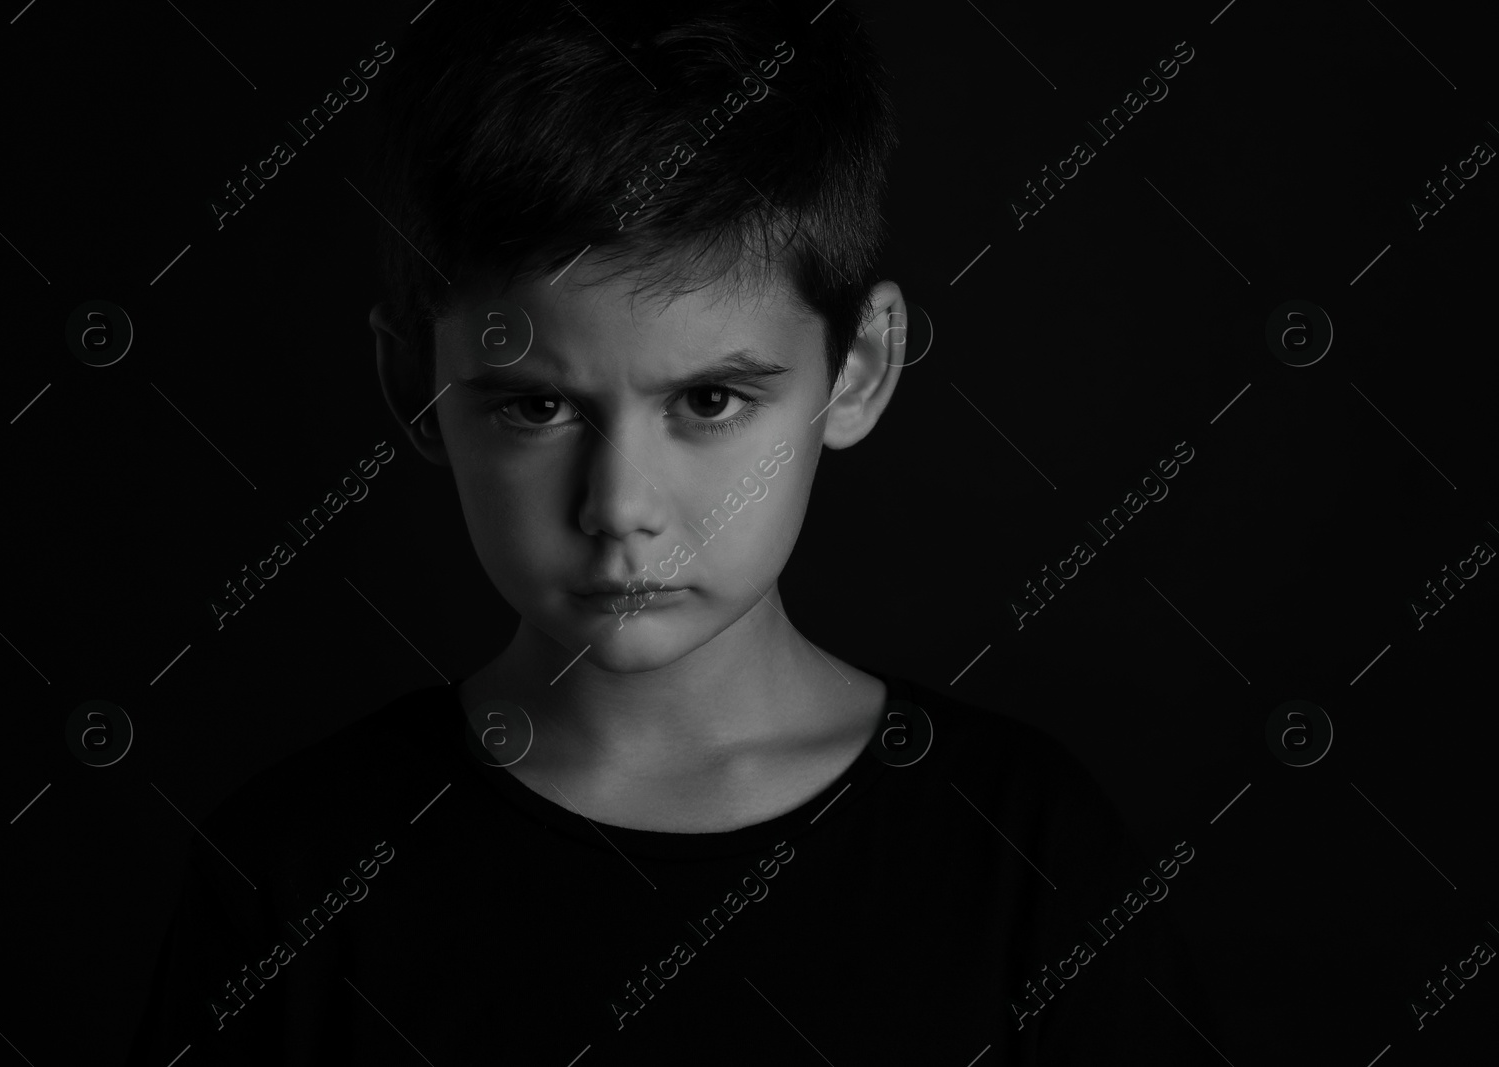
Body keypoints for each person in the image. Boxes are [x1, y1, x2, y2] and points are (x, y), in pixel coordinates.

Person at [127, 1, 1222, 1062]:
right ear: (415, 384)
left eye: (707, 403)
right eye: (536, 406)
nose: (619, 508)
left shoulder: (1024, 852)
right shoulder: (296, 875)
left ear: (860, 368)